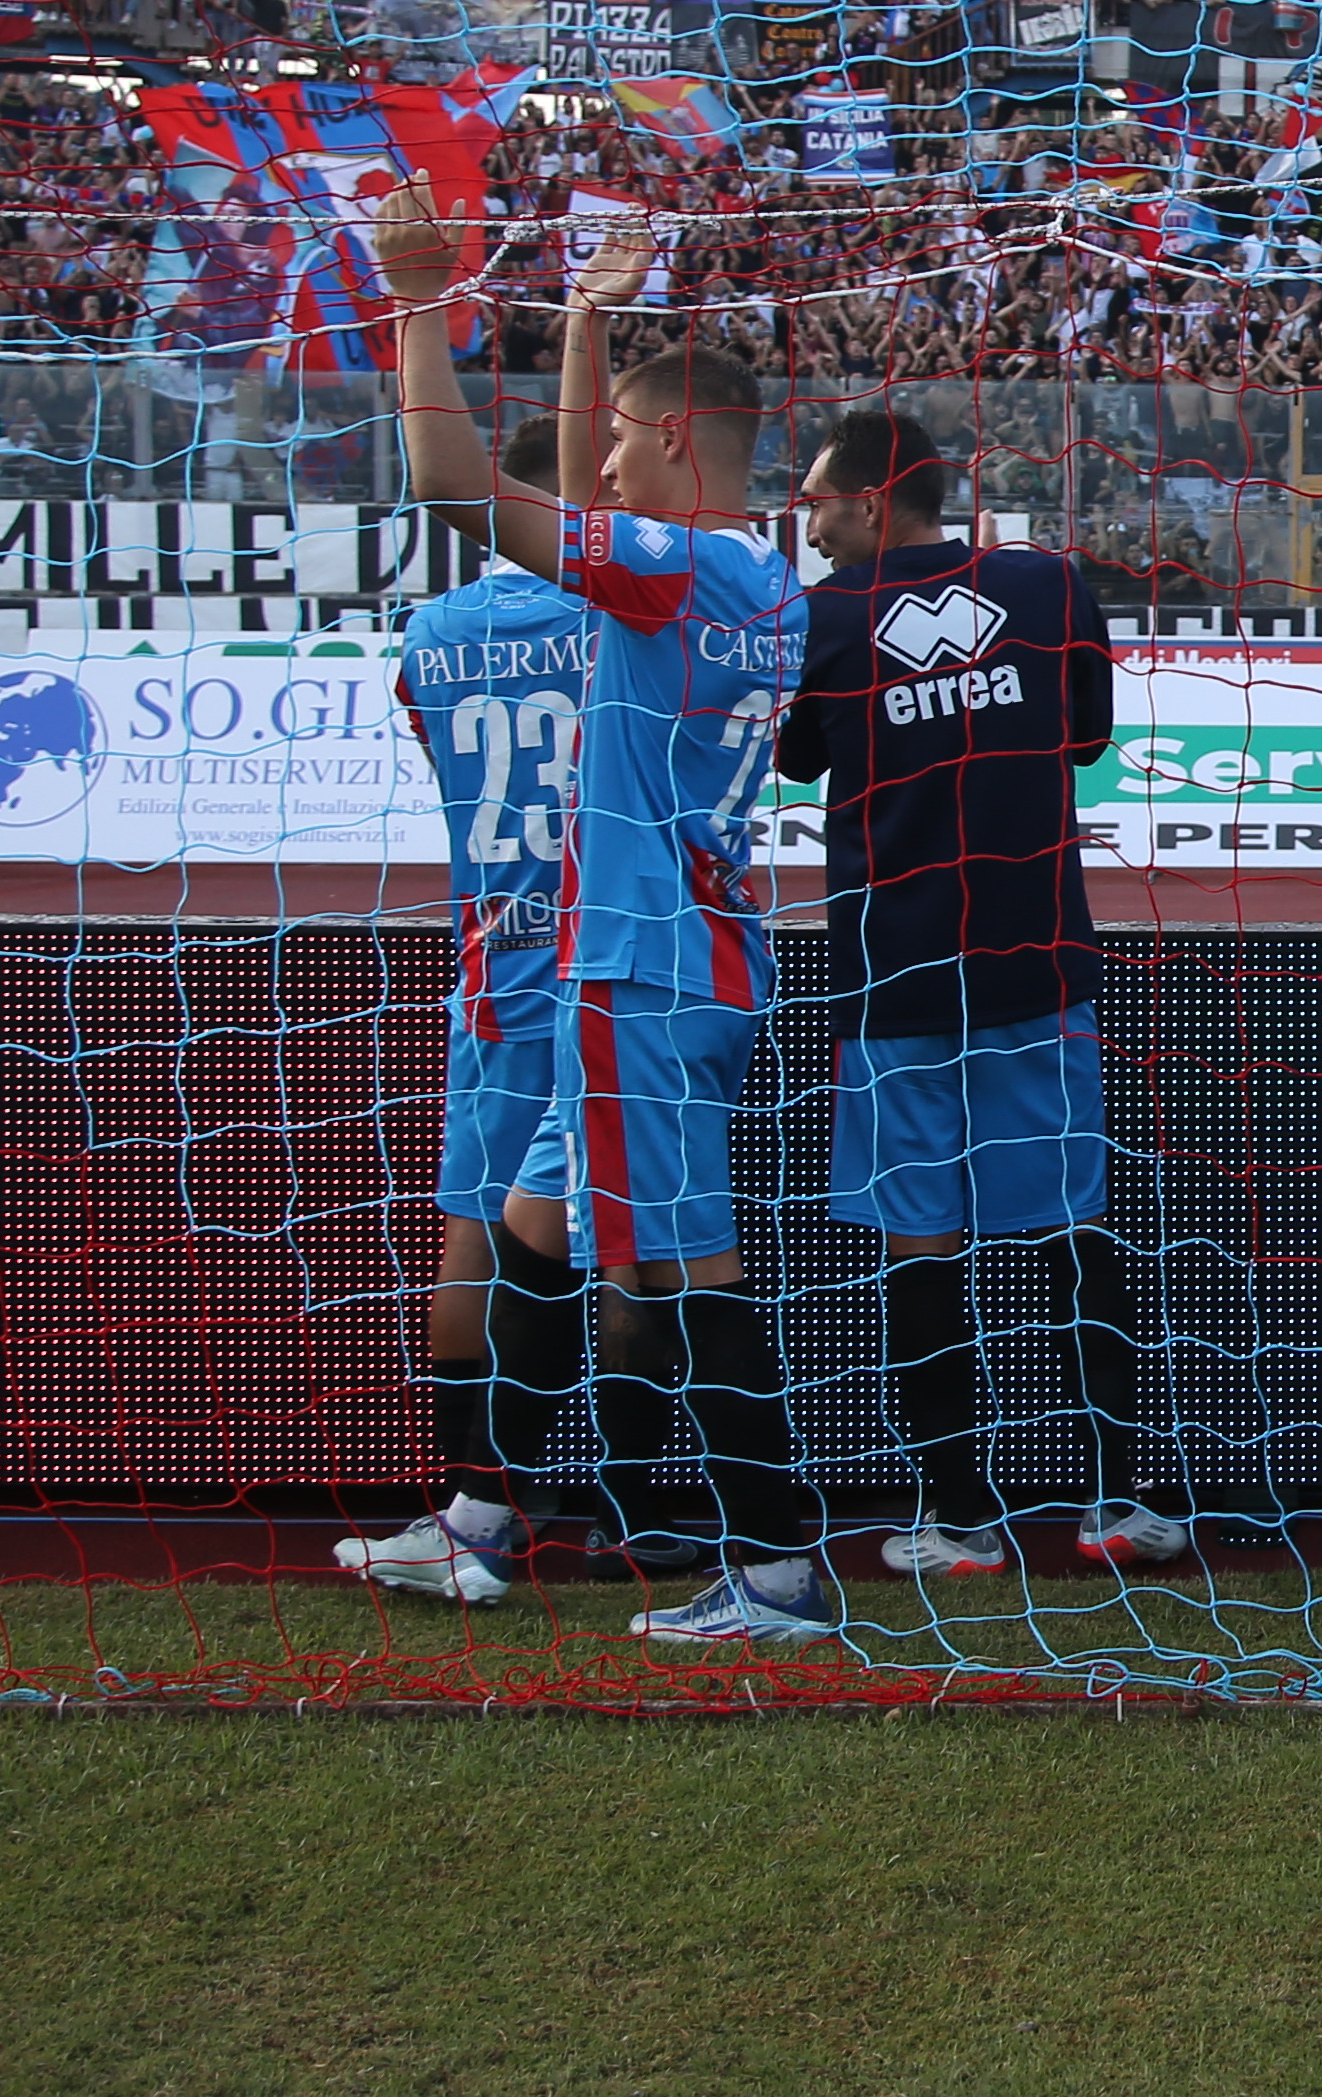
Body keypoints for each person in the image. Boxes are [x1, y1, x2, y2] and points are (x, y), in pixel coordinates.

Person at [380, 190, 833, 1647]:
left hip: (640, 957)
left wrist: (416, 296)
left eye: (636, 443)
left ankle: (772, 1566)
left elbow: (465, 493)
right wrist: (582, 322)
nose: (613, 462)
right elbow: (579, 495)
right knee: (531, 1225)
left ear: (681, 448)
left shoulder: (677, 573)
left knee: (677, 1265)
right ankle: (480, 1521)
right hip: (666, 946)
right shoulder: (758, 576)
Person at [779, 407, 1187, 1581]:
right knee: (1071, 1226)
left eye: (815, 500)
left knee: (924, 1243)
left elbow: (798, 760)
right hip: (1031, 959)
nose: (806, 523)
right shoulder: (1049, 586)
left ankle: (960, 1522)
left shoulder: (823, 618)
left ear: (867, 501)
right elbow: (1087, 736)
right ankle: (1117, 1501)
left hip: (896, 972)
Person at [336, 414, 621, 1605]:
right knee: (624, 1235)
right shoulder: (618, 612)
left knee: (476, 1220)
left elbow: (436, 745)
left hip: (498, 954)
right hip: (616, 948)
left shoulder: (432, 630)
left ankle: (473, 1503)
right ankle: (633, 1504)